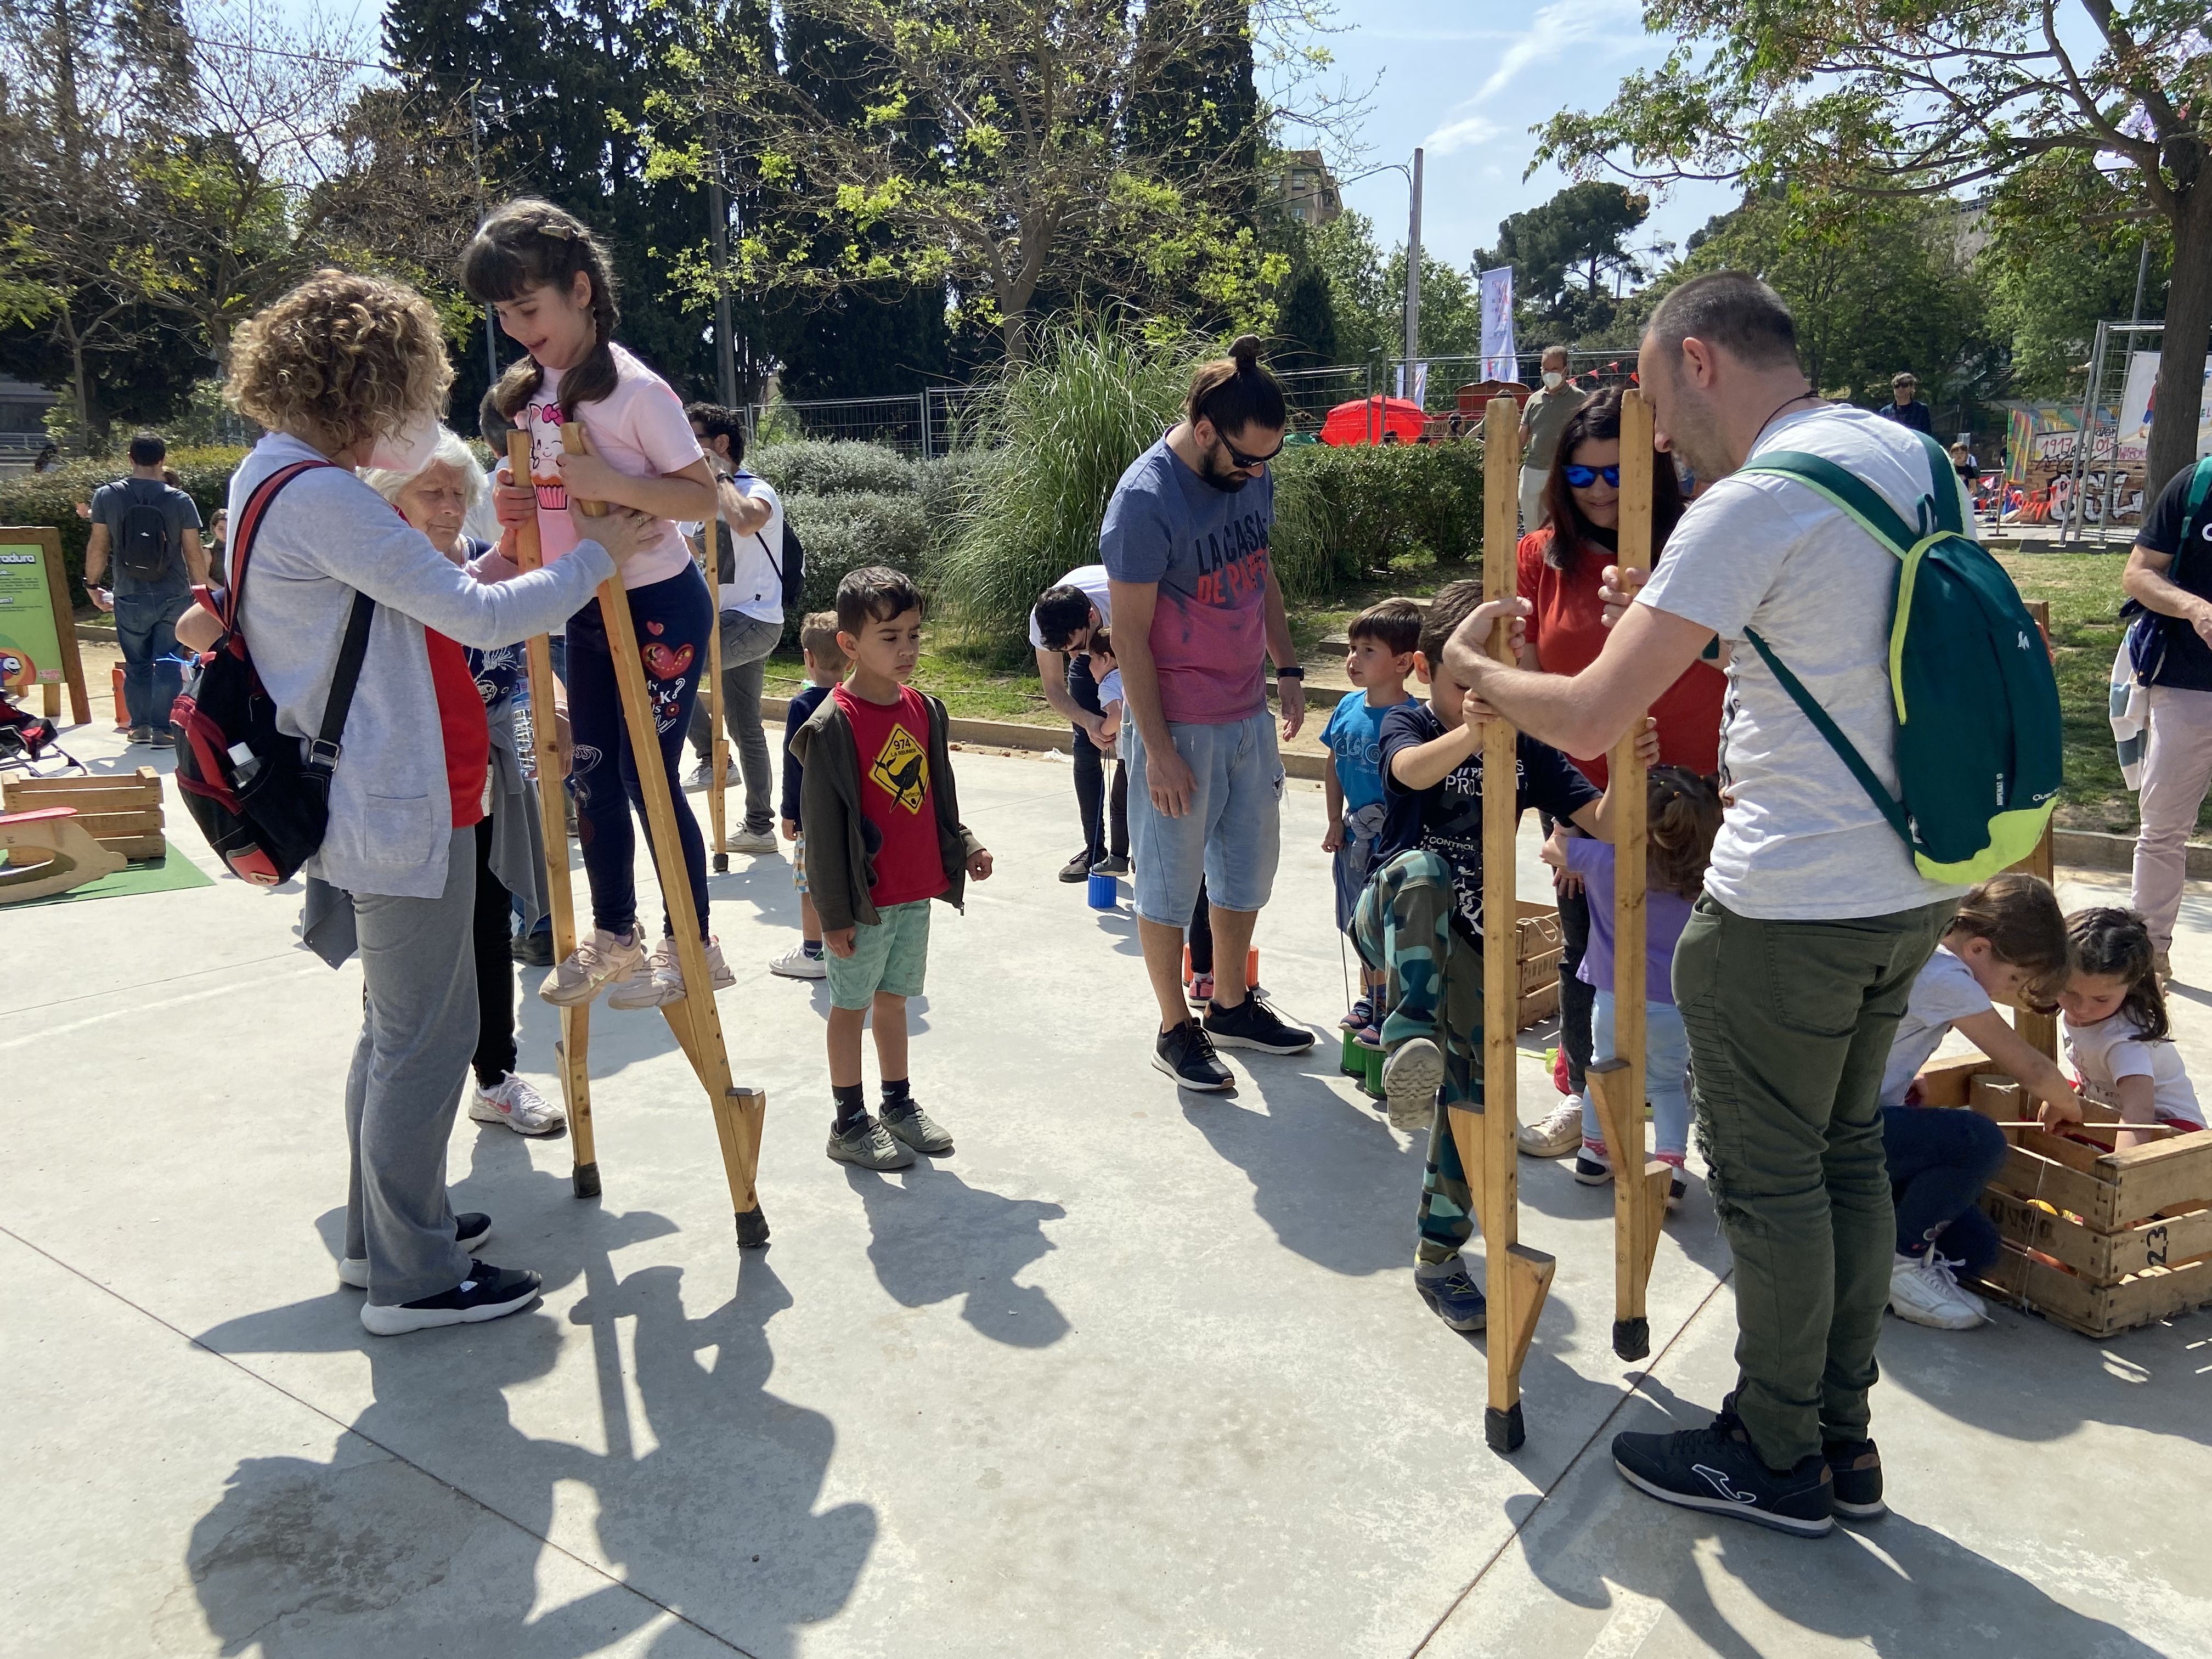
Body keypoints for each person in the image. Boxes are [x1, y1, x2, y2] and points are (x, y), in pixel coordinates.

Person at [1441, 272, 1974, 1537]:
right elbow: (1859, 648)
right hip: (1908, 883)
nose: (1654, 438)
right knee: (1845, 1162)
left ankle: (1775, 1450)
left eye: (1656, 402)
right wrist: (1718, 633)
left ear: (1698, 359)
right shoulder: (1907, 457)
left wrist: (1471, 670)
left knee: (1776, 1187)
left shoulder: (1754, 500)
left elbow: (1583, 715)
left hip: (1792, 897)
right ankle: (1842, 1439)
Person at [221, 267, 650, 1335]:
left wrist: (506, 553)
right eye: (401, 394)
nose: (411, 424)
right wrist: (603, 553)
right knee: (427, 1037)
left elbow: (415, 591)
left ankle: (385, 1239)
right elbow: (471, 618)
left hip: (379, 790)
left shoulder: (269, 478)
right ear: (357, 384)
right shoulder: (319, 493)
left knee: (395, 1032)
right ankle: (414, 1280)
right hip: (392, 798)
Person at [1357, 581, 1656, 1334]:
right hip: (1394, 920)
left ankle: (1439, 1257)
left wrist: (1630, 766)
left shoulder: (1530, 749)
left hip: (1473, 949)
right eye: (1468, 684)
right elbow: (1409, 774)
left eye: (1498, 683)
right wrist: (1472, 733)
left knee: (1478, 1112)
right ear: (1429, 671)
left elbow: (1608, 823)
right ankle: (1406, 1036)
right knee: (1424, 872)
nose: (1482, 698)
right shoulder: (1408, 720)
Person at [465, 197, 727, 1012]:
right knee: (593, 771)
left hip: (658, 606)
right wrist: (518, 508)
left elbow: (702, 497)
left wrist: (610, 484)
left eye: (528, 307)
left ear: (581, 290)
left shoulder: (636, 392)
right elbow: (543, 495)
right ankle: (617, 934)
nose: (515, 326)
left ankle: (696, 944)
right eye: (503, 313)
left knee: (653, 778)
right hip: (584, 599)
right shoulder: (530, 395)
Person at [1509, 388, 1722, 1162]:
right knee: (1588, 952)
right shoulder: (1541, 558)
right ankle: (1587, 1099)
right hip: (1587, 794)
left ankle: (1684, 1103)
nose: (1598, 490)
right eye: (1580, 476)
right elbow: (1534, 678)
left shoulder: (1698, 545)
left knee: (1696, 953)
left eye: (1615, 474)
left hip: (1697, 795)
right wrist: (1566, 813)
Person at [1104, 334, 1312, 1092]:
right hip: (1179, 725)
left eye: (1270, 460)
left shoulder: (1249, 477)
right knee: (1166, 883)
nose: (1259, 474)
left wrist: (1286, 667)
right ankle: (1174, 1027)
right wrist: (1155, 750)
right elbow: (1127, 635)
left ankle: (1230, 1005)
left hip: (1245, 714)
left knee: (1246, 872)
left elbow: (1261, 572)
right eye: (1247, 460)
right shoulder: (1145, 501)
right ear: (1203, 433)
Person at [360, 428, 567, 1139]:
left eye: (458, 492)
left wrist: (557, 704)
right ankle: (397, 1116)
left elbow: (526, 656)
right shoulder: (384, 573)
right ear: (396, 497)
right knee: (409, 970)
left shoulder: (485, 562)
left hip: (480, 784)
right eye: (432, 491)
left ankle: (495, 1076)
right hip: (403, 794)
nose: (448, 505)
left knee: (486, 927)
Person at [791, 567, 992, 1171]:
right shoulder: (831, 726)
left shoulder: (925, 711)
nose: (906, 650)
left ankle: (897, 1104)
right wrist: (833, 915)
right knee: (849, 1009)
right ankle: (849, 1121)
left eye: (914, 634)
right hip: (864, 900)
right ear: (849, 645)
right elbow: (822, 839)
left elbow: (936, 797)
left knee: (895, 1000)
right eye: (890, 637)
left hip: (915, 891)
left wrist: (966, 843)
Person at [1875, 873, 2079, 1331]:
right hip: (1838, 1130)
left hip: (1861, 1116)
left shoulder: (1925, 952)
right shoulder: (1947, 974)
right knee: (1977, 1141)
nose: (1997, 991)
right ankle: (1899, 1268)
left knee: (1976, 1250)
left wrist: (1905, 1075)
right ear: (1979, 948)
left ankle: (1862, 1257)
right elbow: (2030, 1067)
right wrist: (2068, 1104)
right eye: (2013, 978)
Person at [1540, 765, 1722, 1207]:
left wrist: (1570, 822)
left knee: (1603, 1071)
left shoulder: (1605, 861)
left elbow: (1553, 848)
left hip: (1611, 993)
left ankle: (1593, 1154)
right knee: (1665, 1084)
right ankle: (1671, 1169)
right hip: (1673, 1003)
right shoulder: (1705, 877)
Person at [2119, 456, 2212, 981]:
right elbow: (2139, 572)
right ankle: (2150, 956)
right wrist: (2195, 608)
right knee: (2162, 829)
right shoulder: (2197, 484)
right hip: (2186, 685)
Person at [680, 401, 783, 855]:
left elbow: (744, 522)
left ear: (721, 445)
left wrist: (719, 475)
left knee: (669, 676)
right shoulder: (695, 496)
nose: (684, 445)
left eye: (694, 437)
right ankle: (760, 828)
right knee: (746, 727)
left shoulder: (755, 489)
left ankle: (708, 755)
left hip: (756, 620)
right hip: (720, 620)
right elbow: (680, 548)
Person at [1322, 598, 1420, 1036]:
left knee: (1390, 926)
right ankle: (1370, 999)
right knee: (1358, 922)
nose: (1353, 660)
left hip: (1395, 843)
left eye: (1368, 651)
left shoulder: (1416, 718)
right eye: (1352, 648)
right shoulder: (1346, 707)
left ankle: (1392, 1009)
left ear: (1403, 663)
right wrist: (1334, 820)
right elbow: (1333, 763)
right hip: (1352, 836)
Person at [83, 430, 206, 746]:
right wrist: (203, 593)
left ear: (130, 458)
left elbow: (98, 546)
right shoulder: (179, 499)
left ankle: (139, 727)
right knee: (168, 661)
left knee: (137, 663)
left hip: (129, 591)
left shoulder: (107, 496)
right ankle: (164, 729)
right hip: (173, 592)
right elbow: (193, 552)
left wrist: (93, 585)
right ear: (163, 460)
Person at [2060, 907, 2206, 1150]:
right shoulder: (2085, 1010)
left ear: (2131, 985)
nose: (2082, 1008)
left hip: (2171, 1133)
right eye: (2070, 992)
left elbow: (2139, 1114)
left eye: (2101, 999)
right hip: (2113, 1113)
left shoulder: (2125, 1043)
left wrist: (2120, 1174)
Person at [1030, 568, 1128, 879]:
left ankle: (1135, 848)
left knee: (1134, 750)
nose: (1073, 655)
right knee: (1085, 749)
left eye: (1076, 644)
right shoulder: (1043, 623)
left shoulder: (1122, 598)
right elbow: (1054, 690)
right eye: (1064, 650)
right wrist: (1088, 721)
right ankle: (1094, 849)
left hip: (1132, 645)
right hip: (1099, 657)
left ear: (1091, 616)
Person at [770, 611, 848, 980]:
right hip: (850, 813)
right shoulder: (854, 701)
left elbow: (794, 764)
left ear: (808, 658)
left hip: (812, 816)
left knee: (810, 885)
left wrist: (789, 813)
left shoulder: (802, 706)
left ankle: (814, 953)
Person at [1516, 346, 1585, 531]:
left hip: (1563, 471)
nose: (1549, 373)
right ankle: (1534, 558)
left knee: (1561, 523)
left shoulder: (1581, 400)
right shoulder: (1533, 400)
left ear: (1565, 370)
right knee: (1531, 523)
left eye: (1554, 369)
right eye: (1545, 369)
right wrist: (1509, 463)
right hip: (1533, 470)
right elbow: (1522, 436)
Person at [1877, 371, 1933, 435]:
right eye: (1897, 386)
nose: (1900, 388)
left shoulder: (1921, 409)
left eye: (1904, 385)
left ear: (1912, 388)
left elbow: (1926, 435)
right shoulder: (1885, 412)